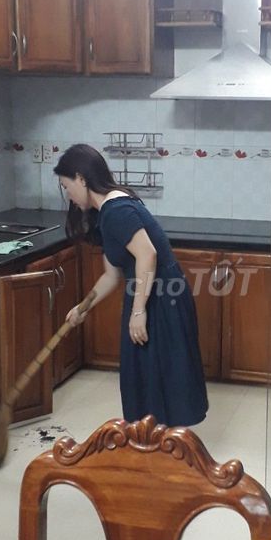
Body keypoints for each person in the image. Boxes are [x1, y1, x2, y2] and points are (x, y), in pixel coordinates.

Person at [55, 144, 208, 428]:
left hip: (161, 299)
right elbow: (111, 275)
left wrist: (139, 311)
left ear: (81, 178)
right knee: (144, 381)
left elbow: (148, 254)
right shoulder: (105, 213)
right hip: (148, 294)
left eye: (67, 186)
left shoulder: (117, 210)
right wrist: (83, 307)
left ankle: (163, 446)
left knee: (161, 382)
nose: (68, 196)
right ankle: (149, 444)